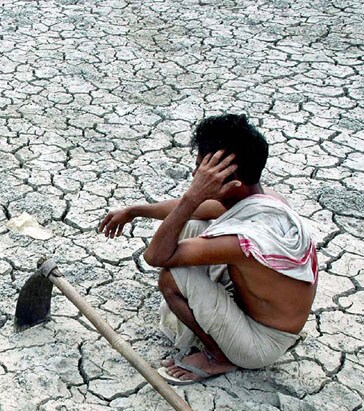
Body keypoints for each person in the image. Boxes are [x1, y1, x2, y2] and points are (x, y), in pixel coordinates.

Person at [98, 114, 318, 384]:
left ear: (231, 180)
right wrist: (134, 211)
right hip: (254, 308)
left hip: (260, 343)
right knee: (195, 225)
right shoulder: (259, 198)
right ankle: (217, 331)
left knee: (172, 278)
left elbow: (155, 256)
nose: (195, 176)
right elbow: (196, 211)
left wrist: (194, 195)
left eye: (202, 171)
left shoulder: (244, 240)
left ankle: (218, 357)